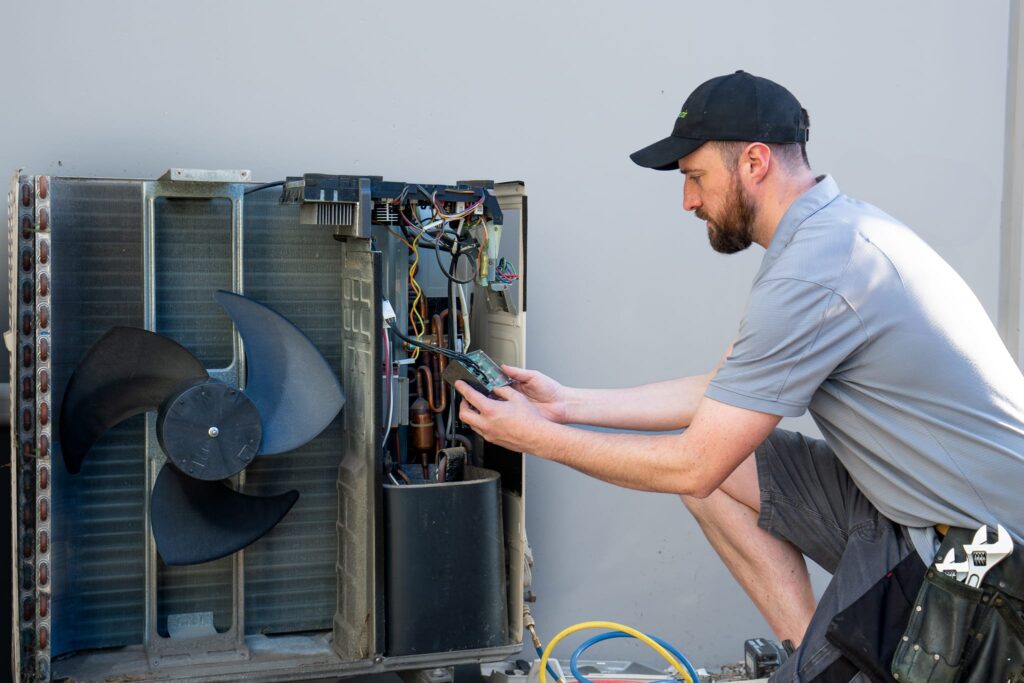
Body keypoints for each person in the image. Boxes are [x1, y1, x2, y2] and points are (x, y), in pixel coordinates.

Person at [454, 70, 1024, 681]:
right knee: (724, 471)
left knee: (701, 464)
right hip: (902, 507)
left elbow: (695, 460)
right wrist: (565, 404)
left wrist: (536, 439)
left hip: (973, 563)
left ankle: (833, 660)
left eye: (695, 177)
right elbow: (725, 393)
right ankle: (823, 654)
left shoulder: (819, 268)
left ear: (754, 162)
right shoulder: (832, 233)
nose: (688, 201)